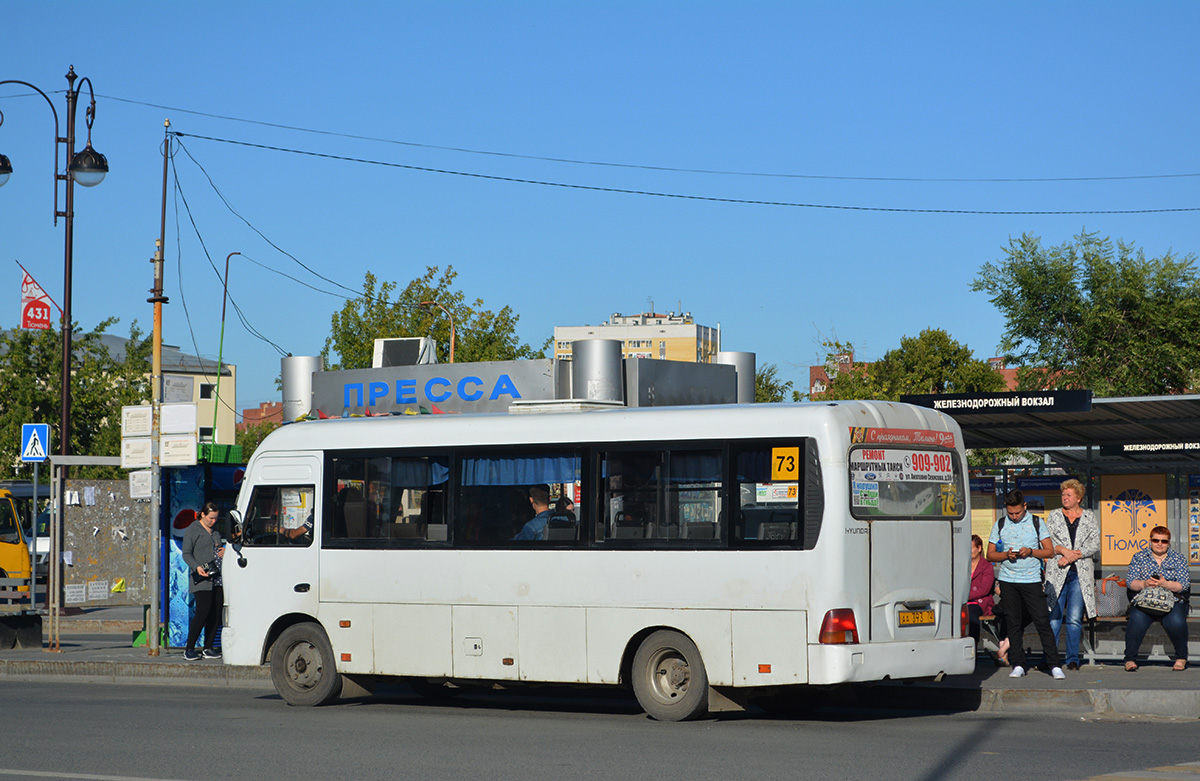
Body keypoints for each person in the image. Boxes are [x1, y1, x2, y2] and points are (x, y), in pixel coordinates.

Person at [987, 489, 1064, 679]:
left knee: (1042, 621)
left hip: (1031, 580)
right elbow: (990, 555)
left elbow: (1049, 552)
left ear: (1025, 507)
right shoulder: (1001, 524)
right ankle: (1019, 664)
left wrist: (1030, 551)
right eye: (1010, 513)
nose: (1014, 516)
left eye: (1017, 513)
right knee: (1013, 622)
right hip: (1008, 580)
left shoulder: (1037, 522)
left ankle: (1054, 664)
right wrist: (1006, 554)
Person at [1044, 478, 1100, 670]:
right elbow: (1047, 540)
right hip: (1057, 572)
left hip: (1079, 575)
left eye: (1068, 495)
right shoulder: (1054, 515)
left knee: (1075, 618)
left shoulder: (1089, 516)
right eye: (1063, 494)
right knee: (1053, 617)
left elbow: (1094, 544)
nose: (1064, 498)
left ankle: (1072, 659)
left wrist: (1072, 557)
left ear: (1078, 498)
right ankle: (1050, 658)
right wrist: (1063, 551)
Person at [1124, 525, 1190, 672]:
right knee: (1136, 620)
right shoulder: (1139, 557)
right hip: (1145, 600)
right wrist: (1145, 583)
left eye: (1164, 541)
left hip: (1173, 599)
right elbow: (1130, 582)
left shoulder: (1178, 558)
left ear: (1169, 542)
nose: (1159, 543)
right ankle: (1130, 658)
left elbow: (1184, 585)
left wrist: (1166, 584)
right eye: (1156, 540)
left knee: (1176, 621)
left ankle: (1181, 657)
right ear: (1150, 541)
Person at [181, 502, 225, 661]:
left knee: (216, 612)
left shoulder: (216, 532)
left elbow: (218, 547)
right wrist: (196, 567)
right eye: (211, 518)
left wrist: (223, 551)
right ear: (203, 515)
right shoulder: (193, 530)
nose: (213, 521)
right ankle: (189, 648)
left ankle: (208, 647)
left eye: (215, 519)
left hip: (217, 577)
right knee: (202, 612)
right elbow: (186, 553)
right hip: (202, 577)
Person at [967, 534, 996, 645]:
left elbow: (985, 589)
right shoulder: (963, 565)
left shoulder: (986, 566)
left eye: (970, 548)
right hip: (963, 601)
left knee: (970, 614)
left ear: (979, 548)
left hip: (979, 601)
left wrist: (965, 595)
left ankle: (973, 643)